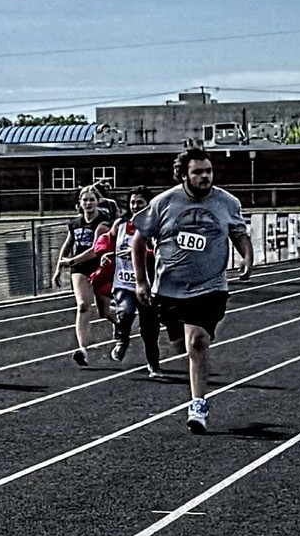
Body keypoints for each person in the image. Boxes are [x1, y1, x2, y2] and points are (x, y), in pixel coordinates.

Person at [132, 148, 253, 433]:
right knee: (180, 344)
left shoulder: (227, 202)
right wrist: (140, 281)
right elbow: (139, 240)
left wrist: (247, 257)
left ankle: (198, 404)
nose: (205, 177)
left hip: (210, 285)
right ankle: (178, 337)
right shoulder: (164, 203)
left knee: (198, 341)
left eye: (208, 171)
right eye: (198, 172)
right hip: (170, 288)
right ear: (184, 175)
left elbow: (239, 233)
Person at [95, 186, 162, 372]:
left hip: (147, 284)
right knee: (125, 312)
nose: (135, 206)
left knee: (149, 329)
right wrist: (104, 254)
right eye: (132, 202)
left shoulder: (155, 226)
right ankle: (121, 338)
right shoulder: (120, 225)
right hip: (123, 282)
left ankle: (153, 365)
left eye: (139, 202)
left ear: (148, 204)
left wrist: (138, 253)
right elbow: (105, 242)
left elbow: (160, 253)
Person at [53, 185, 111, 366]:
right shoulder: (74, 224)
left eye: (92, 199)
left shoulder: (103, 223)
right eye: (85, 200)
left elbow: (95, 250)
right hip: (80, 270)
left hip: (100, 266)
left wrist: (70, 262)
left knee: (104, 311)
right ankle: (82, 350)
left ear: (98, 201)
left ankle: (122, 325)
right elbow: (67, 245)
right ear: (80, 203)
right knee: (83, 306)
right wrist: (58, 268)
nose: (88, 203)